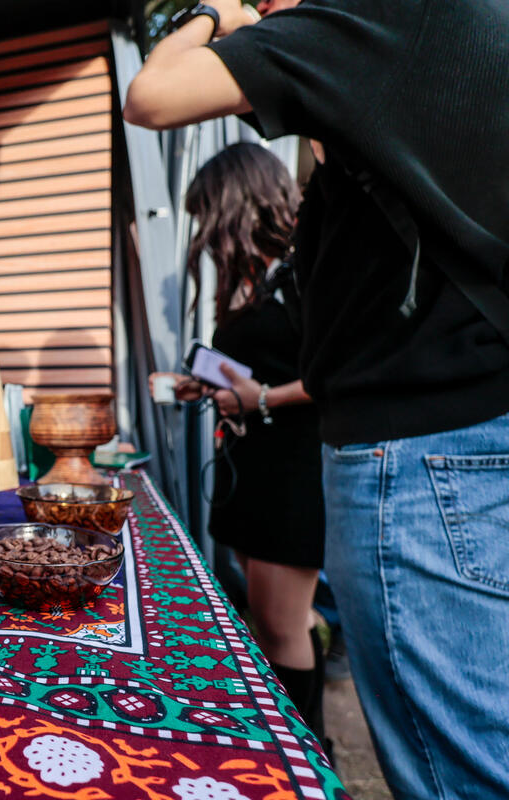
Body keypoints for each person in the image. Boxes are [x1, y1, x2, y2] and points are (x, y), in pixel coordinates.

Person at [124, 2, 509, 798]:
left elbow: (151, 95)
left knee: (454, 761)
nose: (265, 10)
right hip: (447, 432)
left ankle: (301, 763)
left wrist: (210, 13)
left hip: (408, 449)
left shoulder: (371, 23)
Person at [149, 143, 325, 742]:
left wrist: (263, 398)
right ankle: (294, 742)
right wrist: (207, 384)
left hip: (294, 471)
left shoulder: (307, 272)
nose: (202, 230)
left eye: (205, 213)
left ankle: (302, 750)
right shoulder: (253, 279)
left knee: (282, 628)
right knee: (273, 621)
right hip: (250, 467)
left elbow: (335, 376)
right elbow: (256, 371)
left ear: (236, 205)